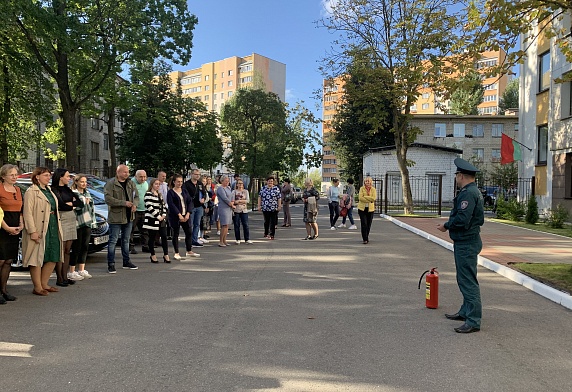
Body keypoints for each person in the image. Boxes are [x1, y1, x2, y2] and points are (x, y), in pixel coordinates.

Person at [437, 158, 485, 334]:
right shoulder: (472, 191)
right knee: (464, 278)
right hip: (467, 241)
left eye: (457, 174)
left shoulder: (467, 193)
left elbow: (463, 219)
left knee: (467, 280)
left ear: (462, 175)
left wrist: (447, 225)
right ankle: (466, 312)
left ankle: (473, 320)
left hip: (467, 242)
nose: (456, 177)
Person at [22, 167, 63, 295]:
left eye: (49, 175)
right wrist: (32, 231)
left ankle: (45, 283)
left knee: (53, 254)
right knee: (36, 257)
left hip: (52, 225)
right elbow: (27, 213)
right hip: (39, 226)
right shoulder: (31, 191)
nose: (48, 177)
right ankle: (37, 287)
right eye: (45, 175)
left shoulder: (49, 190)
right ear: (37, 177)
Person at [51, 168, 84, 286]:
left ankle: (65, 276)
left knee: (67, 250)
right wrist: (71, 205)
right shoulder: (54, 189)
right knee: (61, 248)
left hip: (70, 219)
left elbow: (80, 202)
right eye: (67, 176)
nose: (69, 178)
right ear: (60, 177)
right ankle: (60, 278)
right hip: (62, 219)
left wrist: (71, 204)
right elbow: (60, 205)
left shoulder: (67, 189)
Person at [104, 164, 139, 273]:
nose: (127, 174)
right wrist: (123, 203)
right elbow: (108, 199)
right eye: (124, 172)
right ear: (118, 172)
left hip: (129, 217)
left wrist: (135, 204)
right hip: (116, 217)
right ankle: (111, 263)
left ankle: (126, 261)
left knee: (126, 240)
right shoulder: (111, 184)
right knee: (113, 241)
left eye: (128, 172)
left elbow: (136, 196)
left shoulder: (130, 183)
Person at [0, 164, 23, 303]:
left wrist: (21, 224)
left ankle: (4, 290)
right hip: (2, 227)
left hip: (15, 227)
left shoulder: (18, 189)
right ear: (3, 176)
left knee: (9, 260)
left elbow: (20, 209)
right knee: (1, 260)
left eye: (16, 174)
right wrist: (7, 228)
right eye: (11, 174)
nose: (15, 177)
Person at [70, 174, 97, 280]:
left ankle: (82, 269)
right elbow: (73, 208)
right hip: (77, 222)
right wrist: (82, 202)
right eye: (81, 182)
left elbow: (92, 208)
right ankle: (72, 270)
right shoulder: (73, 193)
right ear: (76, 182)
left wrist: (92, 222)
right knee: (76, 247)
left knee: (85, 246)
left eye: (85, 182)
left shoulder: (87, 193)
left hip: (87, 222)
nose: (84, 184)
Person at [167, 174, 199, 259]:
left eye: (181, 182)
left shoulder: (184, 191)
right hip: (175, 216)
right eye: (178, 182)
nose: (180, 183)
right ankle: (176, 252)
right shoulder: (170, 192)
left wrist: (188, 213)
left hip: (186, 215)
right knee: (175, 234)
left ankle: (189, 250)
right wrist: (179, 214)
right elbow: (171, 205)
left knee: (189, 232)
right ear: (174, 182)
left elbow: (189, 202)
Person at [143, 178, 170, 263]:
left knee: (164, 237)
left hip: (161, 220)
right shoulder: (148, 194)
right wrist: (158, 216)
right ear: (152, 185)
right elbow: (149, 207)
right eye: (156, 184)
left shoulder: (159, 195)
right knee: (152, 237)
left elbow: (163, 206)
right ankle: (153, 255)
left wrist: (163, 215)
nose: (157, 186)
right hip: (152, 219)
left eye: (159, 184)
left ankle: (166, 254)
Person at [183, 169, 205, 248]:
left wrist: (203, 198)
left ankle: (194, 240)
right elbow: (185, 195)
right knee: (190, 225)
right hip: (191, 207)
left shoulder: (200, 184)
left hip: (199, 206)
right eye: (196, 174)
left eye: (198, 174)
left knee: (197, 224)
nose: (197, 176)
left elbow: (204, 193)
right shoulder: (187, 184)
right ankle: (189, 240)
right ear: (192, 174)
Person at [129, 169, 149, 254]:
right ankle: (131, 247)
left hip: (144, 210)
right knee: (131, 230)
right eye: (141, 177)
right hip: (134, 210)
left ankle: (145, 246)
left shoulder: (146, 183)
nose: (143, 179)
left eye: (144, 177)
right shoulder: (131, 183)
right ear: (135, 176)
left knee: (145, 230)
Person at [231, 179, 251, 244]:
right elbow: (233, 201)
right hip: (236, 210)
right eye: (239, 183)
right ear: (237, 184)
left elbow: (247, 200)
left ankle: (247, 239)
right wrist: (239, 201)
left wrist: (239, 201)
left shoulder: (246, 191)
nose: (240, 185)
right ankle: (238, 239)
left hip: (244, 210)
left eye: (241, 183)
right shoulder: (234, 192)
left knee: (245, 225)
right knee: (236, 225)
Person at [357, 177, 376, 244]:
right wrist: (369, 199)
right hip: (362, 209)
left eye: (369, 181)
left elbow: (373, 198)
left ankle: (366, 236)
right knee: (364, 223)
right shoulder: (362, 188)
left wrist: (366, 197)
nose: (368, 182)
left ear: (371, 182)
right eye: (366, 181)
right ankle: (365, 239)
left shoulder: (373, 189)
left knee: (368, 224)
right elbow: (360, 198)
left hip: (370, 209)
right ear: (364, 182)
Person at [216, 175, 234, 246]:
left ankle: (224, 240)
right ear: (222, 181)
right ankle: (221, 241)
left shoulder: (228, 188)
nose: (227, 182)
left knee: (227, 225)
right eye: (226, 181)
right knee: (224, 224)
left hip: (229, 208)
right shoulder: (220, 189)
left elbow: (231, 196)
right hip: (223, 208)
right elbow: (224, 198)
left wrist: (232, 202)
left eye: (228, 181)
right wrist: (231, 204)